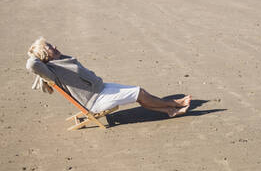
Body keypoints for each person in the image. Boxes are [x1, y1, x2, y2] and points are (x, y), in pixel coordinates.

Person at [26, 37, 191, 117]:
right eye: (49, 47)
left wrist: (45, 51)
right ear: (44, 54)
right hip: (95, 100)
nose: (54, 46)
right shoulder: (51, 70)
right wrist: (36, 53)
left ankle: (170, 110)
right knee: (139, 93)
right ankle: (174, 103)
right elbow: (31, 65)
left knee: (141, 93)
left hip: (100, 89)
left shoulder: (61, 59)